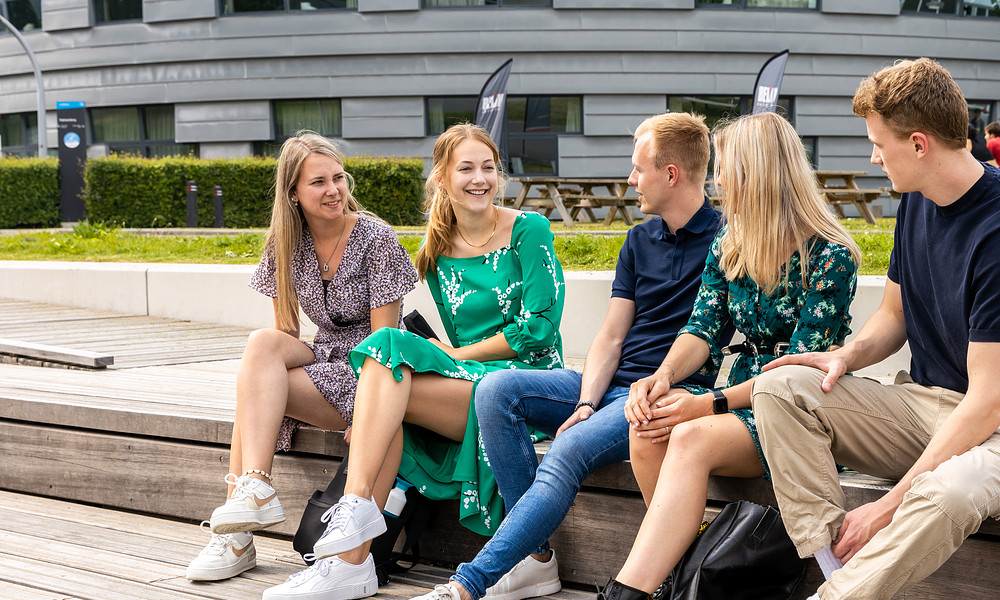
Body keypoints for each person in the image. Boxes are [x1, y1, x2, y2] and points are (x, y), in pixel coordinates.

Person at [407, 111, 725, 600]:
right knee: (495, 391)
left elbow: (711, 335)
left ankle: (468, 583)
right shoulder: (640, 239)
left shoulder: (726, 242)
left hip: (663, 394)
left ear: (671, 174)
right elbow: (611, 336)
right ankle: (535, 559)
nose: (629, 179)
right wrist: (586, 401)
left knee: (566, 450)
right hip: (608, 384)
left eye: (638, 169)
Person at [262, 123, 565, 600]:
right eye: (465, 168)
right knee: (388, 371)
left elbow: (539, 330)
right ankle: (351, 562)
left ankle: (354, 527)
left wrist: (454, 356)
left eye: (488, 167)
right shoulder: (435, 251)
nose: (479, 178)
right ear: (442, 178)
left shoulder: (530, 230)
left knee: (388, 358)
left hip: (527, 384)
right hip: (467, 382)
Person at [752, 58, 1000, 600]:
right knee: (779, 388)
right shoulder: (916, 199)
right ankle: (836, 567)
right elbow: (894, 314)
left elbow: (987, 403)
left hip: (991, 424)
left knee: (950, 491)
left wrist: (886, 508)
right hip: (925, 406)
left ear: (918, 144)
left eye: (878, 144)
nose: (872, 157)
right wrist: (847, 355)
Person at [591, 111, 860, 600]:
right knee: (648, 425)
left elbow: (796, 369)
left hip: (800, 410)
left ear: (755, 174)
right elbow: (703, 330)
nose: (716, 180)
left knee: (689, 436)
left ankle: (632, 591)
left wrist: (708, 404)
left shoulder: (830, 255)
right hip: (741, 396)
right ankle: (681, 575)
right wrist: (663, 377)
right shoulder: (730, 244)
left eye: (726, 169)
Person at [184, 132, 418, 582]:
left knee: (252, 395)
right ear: (293, 192)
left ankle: (236, 537)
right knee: (260, 347)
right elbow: (286, 334)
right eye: (318, 182)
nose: (333, 190)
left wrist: (370, 412)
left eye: (338, 178)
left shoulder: (375, 238)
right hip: (323, 358)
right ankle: (252, 494)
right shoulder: (285, 243)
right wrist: (268, 365)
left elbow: (385, 341)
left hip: (375, 368)